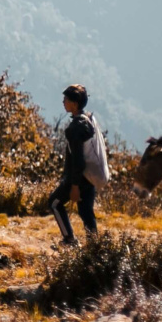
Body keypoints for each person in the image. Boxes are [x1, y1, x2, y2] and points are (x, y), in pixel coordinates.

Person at [49, 83, 98, 245]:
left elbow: (77, 160)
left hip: (77, 178)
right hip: (90, 176)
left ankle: (69, 239)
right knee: (85, 212)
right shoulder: (89, 120)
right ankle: (95, 248)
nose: (63, 102)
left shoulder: (75, 129)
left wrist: (74, 186)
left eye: (66, 99)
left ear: (74, 104)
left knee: (54, 203)